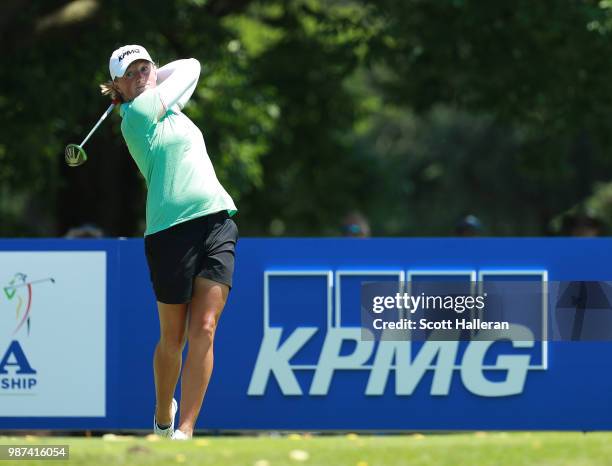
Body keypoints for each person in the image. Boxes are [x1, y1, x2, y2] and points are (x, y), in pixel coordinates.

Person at [100, 45, 238, 440]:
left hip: (216, 219)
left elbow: (187, 65)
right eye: (133, 72)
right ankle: (164, 414)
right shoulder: (136, 117)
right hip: (168, 234)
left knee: (206, 328)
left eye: (147, 68)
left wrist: (147, 73)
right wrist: (140, 86)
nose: (143, 74)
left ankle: (187, 430)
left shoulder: (170, 108)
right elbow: (193, 67)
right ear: (118, 87)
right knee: (172, 337)